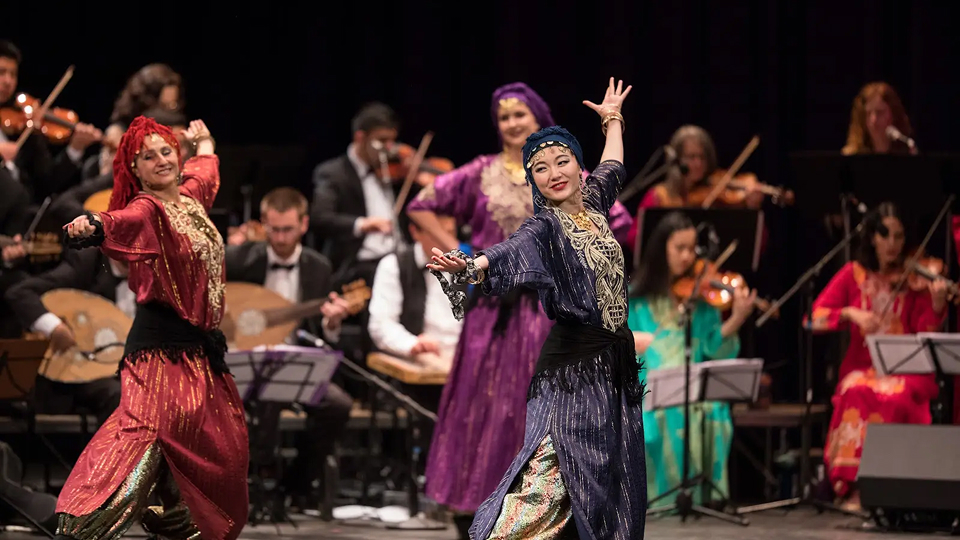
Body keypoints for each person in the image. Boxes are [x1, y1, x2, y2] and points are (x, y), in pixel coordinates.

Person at [406, 82, 634, 538]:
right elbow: (506, 253)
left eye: (562, 162)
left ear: (578, 166)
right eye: (541, 169)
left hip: (609, 366)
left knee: (603, 479)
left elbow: (613, 165)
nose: (553, 174)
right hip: (570, 370)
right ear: (534, 182)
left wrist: (612, 119)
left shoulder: (593, 202)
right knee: (551, 472)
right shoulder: (544, 226)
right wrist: (469, 263)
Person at [58, 117, 248, 540]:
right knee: (139, 444)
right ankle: (78, 528)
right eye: (148, 156)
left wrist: (204, 140)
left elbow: (206, 169)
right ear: (135, 169)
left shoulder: (190, 197)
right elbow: (119, 221)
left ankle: (176, 522)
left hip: (199, 355)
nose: (161, 160)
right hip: (160, 355)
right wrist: (92, 225)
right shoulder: (148, 210)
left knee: (223, 454)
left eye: (166, 151)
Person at [809, 202, 946, 511]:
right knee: (856, 390)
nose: (892, 244)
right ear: (872, 237)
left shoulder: (915, 279)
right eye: (885, 236)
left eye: (899, 236)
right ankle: (854, 488)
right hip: (862, 367)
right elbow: (812, 318)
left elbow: (926, 330)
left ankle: (894, 486)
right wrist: (850, 313)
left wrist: (937, 306)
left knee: (896, 396)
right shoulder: (852, 274)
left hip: (907, 370)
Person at [224, 186, 353, 510]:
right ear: (263, 224)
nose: (281, 238)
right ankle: (246, 485)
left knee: (337, 405)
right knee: (265, 396)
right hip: (242, 362)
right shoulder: (238, 259)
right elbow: (219, 308)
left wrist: (332, 322)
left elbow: (322, 330)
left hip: (296, 362)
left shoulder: (319, 267)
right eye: (274, 229)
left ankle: (293, 485)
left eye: (288, 230)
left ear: (304, 225)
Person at [627, 211, 755, 507]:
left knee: (713, 411)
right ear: (661, 249)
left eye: (692, 249)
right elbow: (615, 342)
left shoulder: (700, 300)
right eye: (679, 248)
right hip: (648, 385)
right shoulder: (636, 298)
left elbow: (714, 348)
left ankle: (704, 499)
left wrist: (736, 319)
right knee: (667, 413)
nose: (687, 257)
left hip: (692, 384)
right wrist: (631, 341)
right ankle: (668, 501)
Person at [4, 246, 128, 425]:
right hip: (84, 371)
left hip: (138, 370)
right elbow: (20, 293)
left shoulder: (160, 274)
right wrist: (54, 327)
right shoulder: (89, 262)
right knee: (121, 394)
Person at [627, 125, 763, 250]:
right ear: (677, 160)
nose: (698, 163)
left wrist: (753, 209)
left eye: (702, 157)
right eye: (691, 157)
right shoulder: (659, 196)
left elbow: (756, 245)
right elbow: (634, 239)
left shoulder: (719, 196)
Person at [841, 82, 916, 156]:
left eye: (880, 112)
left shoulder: (907, 152)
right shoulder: (852, 154)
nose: (873, 120)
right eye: (868, 114)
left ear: (894, 114)